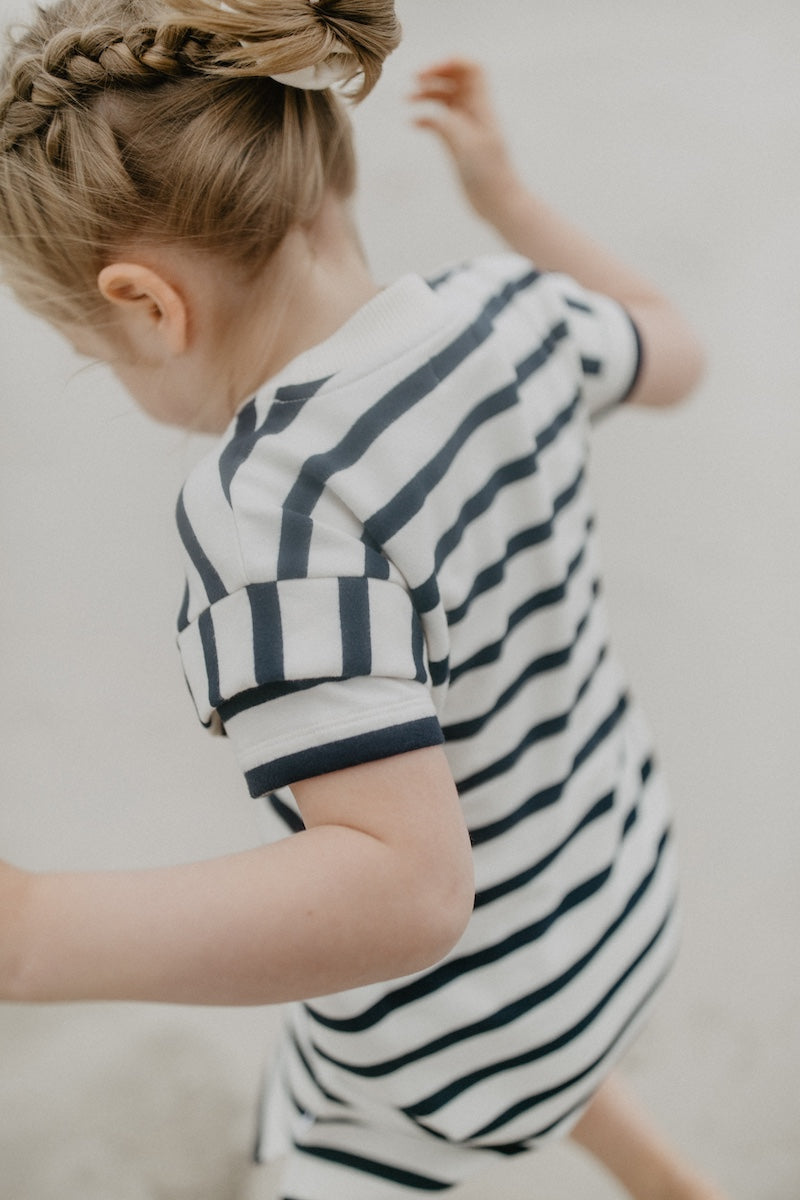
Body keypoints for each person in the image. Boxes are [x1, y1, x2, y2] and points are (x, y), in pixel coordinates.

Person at [0, 2, 726, 1197]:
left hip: (468, 1031)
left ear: (145, 304)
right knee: (490, 988)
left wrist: (28, 935)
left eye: (96, 350)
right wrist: (509, 205)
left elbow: (403, 896)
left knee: (327, 1113)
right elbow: (675, 348)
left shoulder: (268, 505)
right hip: (615, 892)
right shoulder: (512, 312)